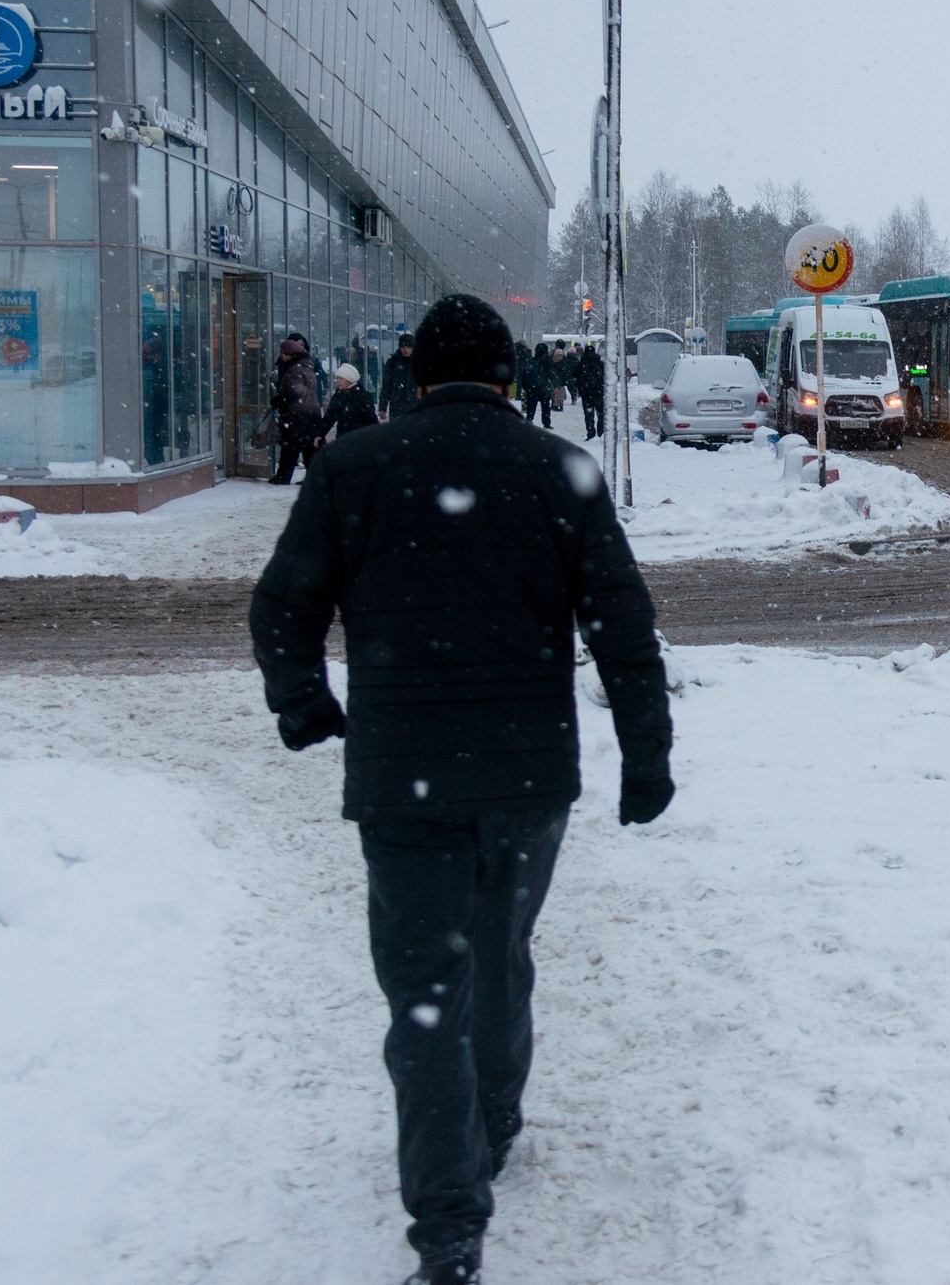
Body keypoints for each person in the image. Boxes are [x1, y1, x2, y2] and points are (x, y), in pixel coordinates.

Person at [251, 293, 673, 1285]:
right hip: (528, 774)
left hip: (403, 776)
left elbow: (281, 606)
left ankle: (448, 1231)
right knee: (500, 948)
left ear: (417, 374)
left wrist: (305, 704)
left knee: (424, 993)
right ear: (509, 378)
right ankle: (491, 1120)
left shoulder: (353, 468)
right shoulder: (556, 470)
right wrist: (646, 755)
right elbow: (623, 624)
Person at [272, 333, 323, 486]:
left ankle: (283, 476)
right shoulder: (306, 366)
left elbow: (293, 393)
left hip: (298, 414)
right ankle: (313, 477)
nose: (283, 357)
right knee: (308, 448)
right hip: (308, 412)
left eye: (285, 354)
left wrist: (278, 400)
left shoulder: (295, 370)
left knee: (291, 447)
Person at [318, 362, 378, 444]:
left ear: (349, 379)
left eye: (341, 378)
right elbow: (330, 416)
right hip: (342, 439)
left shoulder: (362, 396)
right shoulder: (338, 395)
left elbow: (371, 419)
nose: (337, 381)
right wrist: (320, 434)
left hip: (359, 440)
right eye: (337, 378)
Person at [379, 332, 420, 422]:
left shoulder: (419, 363)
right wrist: (383, 407)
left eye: (408, 347)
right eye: (403, 347)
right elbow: (386, 385)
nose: (406, 350)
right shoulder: (393, 363)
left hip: (414, 404)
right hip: (398, 405)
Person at [576, 342, 606, 441]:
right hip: (599, 392)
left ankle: (590, 433)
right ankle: (601, 433)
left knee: (589, 414)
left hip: (586, 392)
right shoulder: (600, 363)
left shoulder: (581, 364)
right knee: (601, 414)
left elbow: (574, 374)